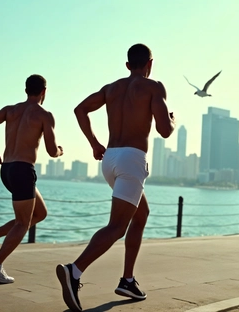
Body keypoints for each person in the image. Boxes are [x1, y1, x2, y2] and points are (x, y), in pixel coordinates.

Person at [56, 44, 175, 311]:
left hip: (110, 158)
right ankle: (74, 270)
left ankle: (128, 280)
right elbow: (165, 130)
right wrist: (172, 119)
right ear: (150, 64)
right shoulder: (154, 87)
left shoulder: (111, 88)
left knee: (140, 214)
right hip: (132, 159)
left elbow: (80, 110)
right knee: (117, 227)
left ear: (127, 65)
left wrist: (94, 144)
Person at [0, 74, 63, 284]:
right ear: (44, 92)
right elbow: (51, 151)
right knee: (23, 223)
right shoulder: (44, 115)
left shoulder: (10, 110)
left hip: (6, 169)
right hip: (23, 170)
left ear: (26, 90)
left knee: (39, 213)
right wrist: (60, 151)